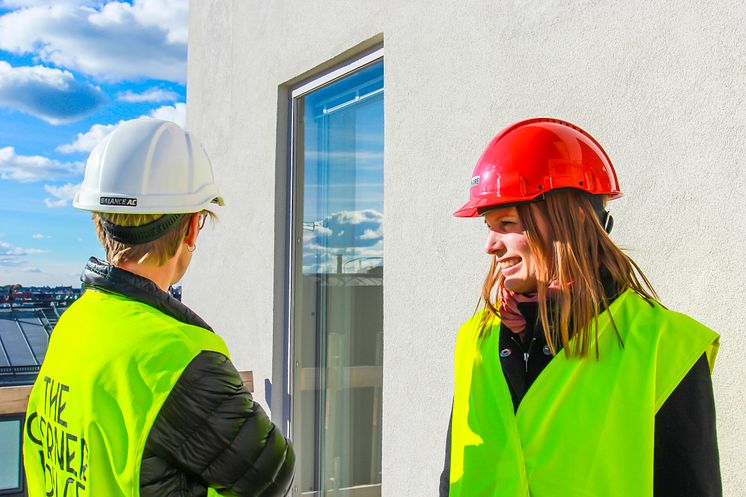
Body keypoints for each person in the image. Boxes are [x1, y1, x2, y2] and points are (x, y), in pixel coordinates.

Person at [440, 118, 721, 497]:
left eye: (505, 223)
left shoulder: (665, 347)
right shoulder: (475, 340)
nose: (490, 245)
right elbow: (453, 478)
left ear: (567, 223)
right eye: (488, 227)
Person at [23, 119, 294, 497]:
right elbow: (272, 474)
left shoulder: (74, 322)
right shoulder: (178, 354)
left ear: (98, 222)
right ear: (191, 229)